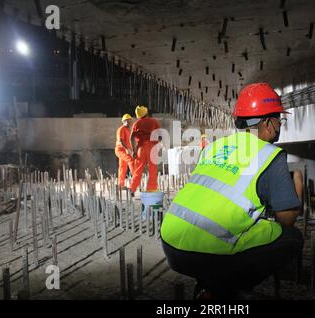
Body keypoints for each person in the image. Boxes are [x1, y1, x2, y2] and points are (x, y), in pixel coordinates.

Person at [160, 83, 304, 298]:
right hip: (207, 254)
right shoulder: (270, 155)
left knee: (228, 235)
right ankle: (222, 290)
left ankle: (208, 288)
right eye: (278, 120)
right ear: (267, 123)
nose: (279, 126)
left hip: (171, 243)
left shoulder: (215, 147)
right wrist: (298, 183)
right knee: (292, 238)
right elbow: (287, 219)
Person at [130, 106, 162, 194]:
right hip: (152, 147)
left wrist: (134, 150)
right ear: (146, 113)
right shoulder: (154, 121)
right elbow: (160, 135)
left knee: (138, 169)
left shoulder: (136, 124)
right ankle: (151, 189)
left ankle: (132, 189)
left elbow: (131, 137)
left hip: (140, 148)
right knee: (152, 169)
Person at [115, 114, 134, 189]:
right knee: (131, 160)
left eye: (130, 120)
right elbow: (121, 140)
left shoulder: (128, 130)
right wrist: (126, 149)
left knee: (123, 167)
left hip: (126, 150)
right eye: (128, 121)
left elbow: (129, 142)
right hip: (120, 150)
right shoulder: (121, 129)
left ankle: (121, 185)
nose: (130, 122)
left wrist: (132, 150)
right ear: (124, 121)